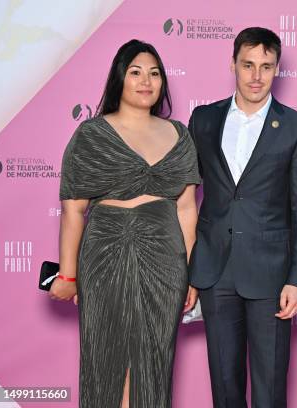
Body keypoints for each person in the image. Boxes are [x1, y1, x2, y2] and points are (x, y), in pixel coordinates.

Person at [49, 39, 201, 408]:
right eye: (135, 72)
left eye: (154, 73)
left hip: (165, 260)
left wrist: (191, 273)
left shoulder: (179, 135)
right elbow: (73, 210)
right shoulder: (91, 134)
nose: (146, 81)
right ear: (120, 78)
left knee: (154, 358)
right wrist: (68, 275)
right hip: (105, 253)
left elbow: (185, 209)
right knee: (106, 354)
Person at [187, 27, 297, 407]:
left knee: (270, 388)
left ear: (277, 69)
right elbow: (183, 197)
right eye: (248, 65)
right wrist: (190, 269)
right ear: (233, 65)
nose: (256, 76)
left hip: (272, 275)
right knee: (224, 387)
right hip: (215, 271)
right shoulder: (204, 119)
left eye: (266, 66)